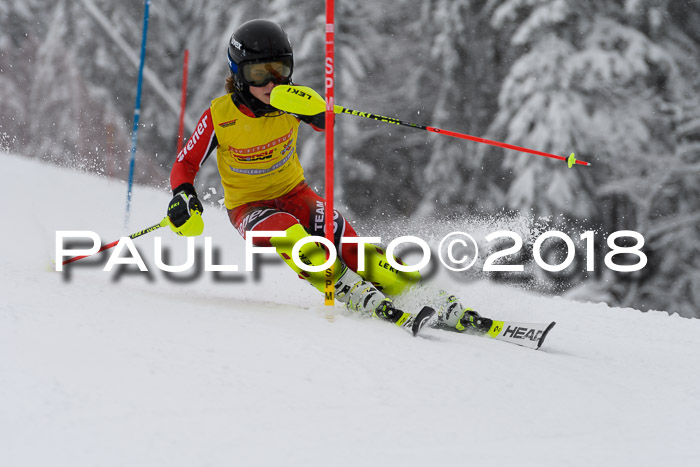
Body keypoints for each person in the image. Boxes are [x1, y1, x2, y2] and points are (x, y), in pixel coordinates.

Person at [166, 19, 485, 334]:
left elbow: (323, 122)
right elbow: (186, 163)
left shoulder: (290, 101)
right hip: (250, 208)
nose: (270, 83)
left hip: (295, 193)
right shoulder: (220, 116)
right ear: (237, 74)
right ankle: (351, 290)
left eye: (279, 70)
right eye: (258, 73)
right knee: (291, 234)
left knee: (345, 239)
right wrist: (183, 193)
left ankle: (421, 294)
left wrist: (319, 113)